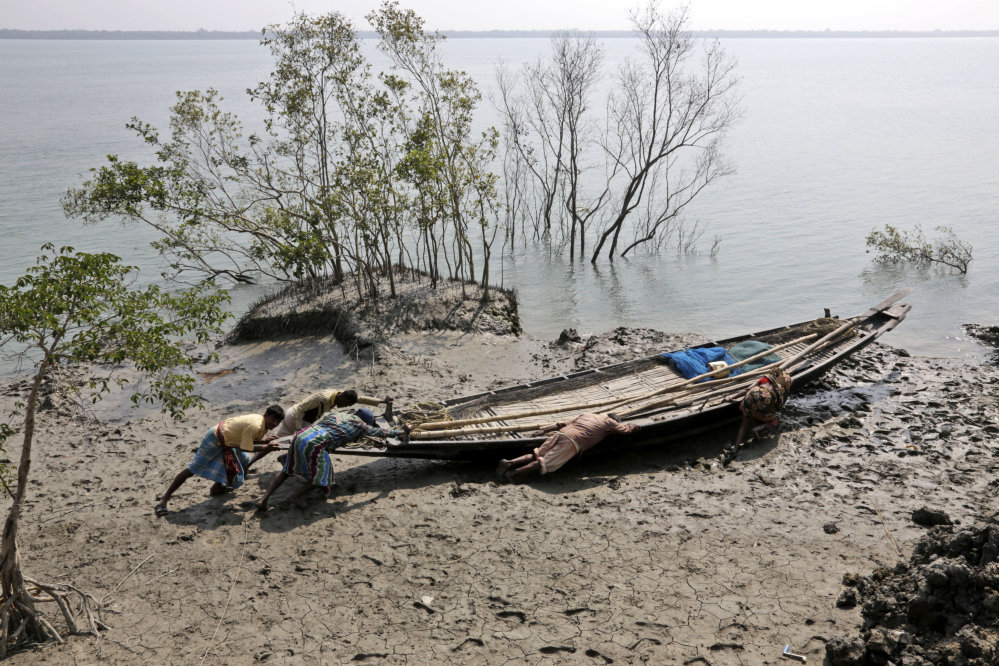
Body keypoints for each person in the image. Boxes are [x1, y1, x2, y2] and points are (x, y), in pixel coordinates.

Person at [254, 411, 410, 511]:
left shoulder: (338, 414)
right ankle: (294, 496)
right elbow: (383, 432)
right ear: (366, 421)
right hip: (317, 443)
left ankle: (263, 500)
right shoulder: (362, 426)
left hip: (303, 434)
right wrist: (402, 431)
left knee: (287, 470)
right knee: (324, 477)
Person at [155, 405, 285, 517]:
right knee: (192, 469)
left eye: (278, 422)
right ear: (266, 414)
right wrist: (266, 447)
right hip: (215, 438)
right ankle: (163, 501)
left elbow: (247, 440)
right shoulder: (255, 425)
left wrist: (264, 441)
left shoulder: (263, 425)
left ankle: (217, 486)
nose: (275, 424)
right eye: (273, 419)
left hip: (229, 441)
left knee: (243, 460)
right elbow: (246, 446)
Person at [245, 389, 392, 470]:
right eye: (346, 405)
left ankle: (248, 465)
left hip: (298, 418)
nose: (346, 408)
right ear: (343, 399)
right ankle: (287, 459)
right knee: (310, 442)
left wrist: (381, 401)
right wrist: (297, 429)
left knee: (275, 443)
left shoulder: (339, 394)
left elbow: (359, 398)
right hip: (297, 418)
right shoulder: (323, 398)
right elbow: (301, 409)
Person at [496, 412, 639, 483]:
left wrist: (544, 431)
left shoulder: (587, 414)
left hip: (562, 434)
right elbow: (625, 430)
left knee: (537, 453)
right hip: (573, 442)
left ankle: (510, 462)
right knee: (544, 461)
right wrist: (632, 426)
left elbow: (562, 424)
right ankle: (513, 474)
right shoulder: (609, 422)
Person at [732, 367, 792, 447]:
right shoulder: (780, 390)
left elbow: (748, 389)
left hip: (750, 396)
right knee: (774, 419)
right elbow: (778, 406)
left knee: (745, 423)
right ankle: (760, 427)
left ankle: (736, 445)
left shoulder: (764, 379)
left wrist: (732, 397)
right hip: (764, 401)